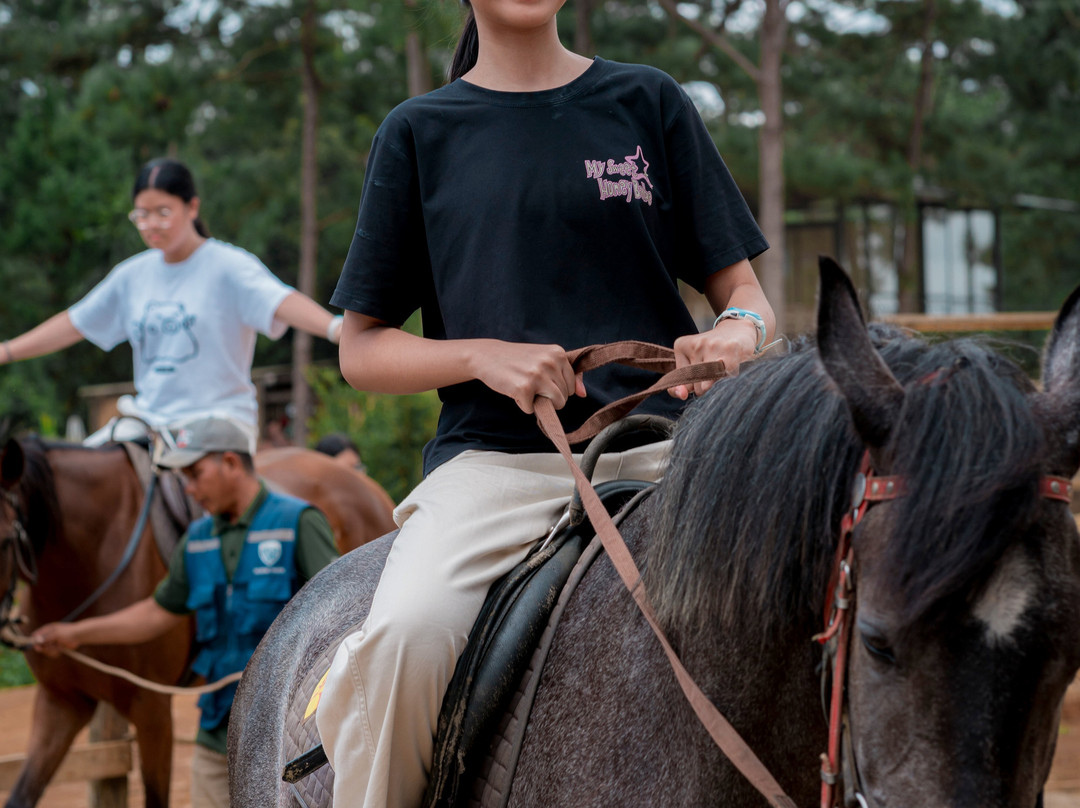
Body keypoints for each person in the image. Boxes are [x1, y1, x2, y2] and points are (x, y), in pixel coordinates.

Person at [313, 1, 775, 805]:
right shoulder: (419, 131)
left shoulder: (650, 101)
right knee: (408, 636)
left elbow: (744, 293)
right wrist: (477, 356)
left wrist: (736, 332)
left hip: (673, 454)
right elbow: (361, 349)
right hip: (495, 466)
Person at [31, 415, 340, 808]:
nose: (189, 489)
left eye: (195, 473)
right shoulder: (196, 540)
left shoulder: (298, 522)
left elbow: (338, 614)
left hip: (283, 734)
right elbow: (158, 612)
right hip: (216, 735)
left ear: (230, 462)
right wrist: (73, 635)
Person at [0, 158, 345, 446]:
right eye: (141, 215)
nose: (151, 225)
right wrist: (9, 351)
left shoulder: (228, 266)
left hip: (217, 421)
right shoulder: (131, 275)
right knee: (74, 470)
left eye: (162, 212)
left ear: (192, 207)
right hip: (148, 422)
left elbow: (280, 300)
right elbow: (75, 322)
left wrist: (333, 328)